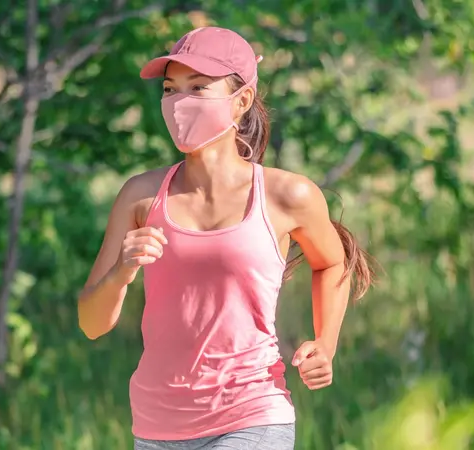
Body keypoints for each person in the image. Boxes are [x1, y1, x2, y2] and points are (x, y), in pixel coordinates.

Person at [77, 26, 375, 449]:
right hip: (155, 425)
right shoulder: (141, 196)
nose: (180, 103)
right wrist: (122, 273)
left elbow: (331, 261)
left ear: (242, 102)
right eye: (170, 89)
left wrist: (325, 343)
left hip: (251, 414)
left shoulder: (287, 195)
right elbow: (91, 324)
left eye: (198, 88)